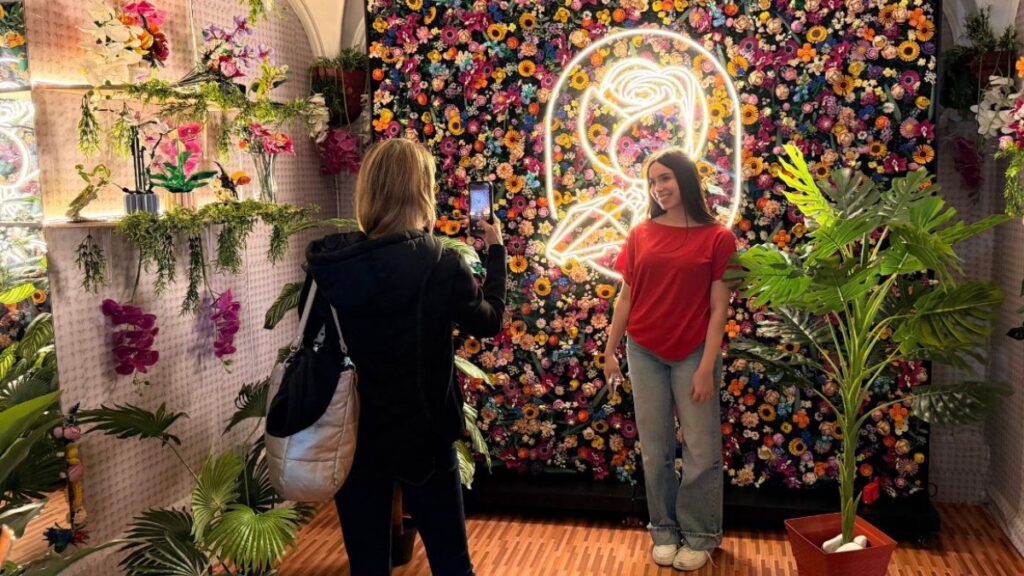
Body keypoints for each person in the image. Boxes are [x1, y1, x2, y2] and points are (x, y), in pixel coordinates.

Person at [300, 138, 506, 576]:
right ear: (421, 191)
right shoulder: (441, 263)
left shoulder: (330, 265)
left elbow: (316, 341)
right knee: (452, 566)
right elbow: (488, 322)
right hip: (425, 434)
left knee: (368, 568)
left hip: (354, 435)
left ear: (368, 191)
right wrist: (497, 251)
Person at [603, 147, 736, 571]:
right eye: (652, 181)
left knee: (700, 448)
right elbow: (626, 298)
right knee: (655, 448)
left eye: (665, 178)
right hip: (643, 350)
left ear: (685, 179)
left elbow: (719, 309)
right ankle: (663, 529)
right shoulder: (640, 234)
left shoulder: (718, 238)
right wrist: (610, 351)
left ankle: (700, 534)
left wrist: (706, 367)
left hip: (693, 352)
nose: (658, 188)